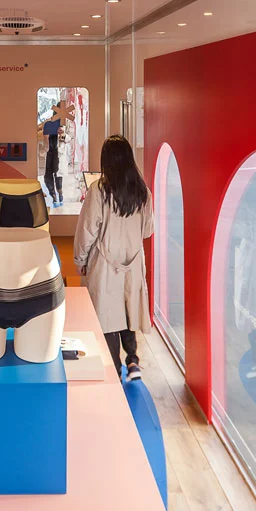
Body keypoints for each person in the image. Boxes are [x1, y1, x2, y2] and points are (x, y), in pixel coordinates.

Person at [73, 135, 153, 382]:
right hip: (133, 263)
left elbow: (87, 230)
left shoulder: (99, 191)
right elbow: (148, 230)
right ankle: (133, 361)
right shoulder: (143, 191)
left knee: (107, 315)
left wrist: (80, 260)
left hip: (104, 265)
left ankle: (114, 367)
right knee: (128, 309)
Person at [42, 105, 63, 206]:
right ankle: (53, 194)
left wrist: (62, 134)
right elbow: (43, 136)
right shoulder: (48, 123)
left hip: (58, 152)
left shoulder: (63, 125)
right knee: (48, 174)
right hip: (49, 151)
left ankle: (59, 192)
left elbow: (68, 137)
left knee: (57, 173)